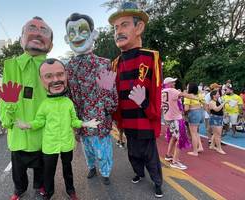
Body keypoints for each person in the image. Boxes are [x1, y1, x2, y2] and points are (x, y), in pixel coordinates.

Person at [16, 58, 100, 200]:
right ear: (42, 80)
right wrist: (28, 125)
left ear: (66, 75)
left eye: (60, 75)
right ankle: (48, 193)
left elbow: (74, 121)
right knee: (49, 171)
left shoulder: (68, 102)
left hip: (66, 144)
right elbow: (39, 121)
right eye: (48, 76)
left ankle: (71, 190)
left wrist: (86, 124)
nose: (55, 80)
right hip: (50, 145)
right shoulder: (44, 104)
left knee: (68, 169)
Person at [108, 2, 163, 197]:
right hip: (128, 122)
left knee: (150, 156)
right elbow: (113, 96)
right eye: (116, 28)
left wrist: (146, 104)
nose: (118, 31)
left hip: (144, 120)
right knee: (133, 154)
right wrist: (107, 93)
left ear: (139, 27)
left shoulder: (151, 57)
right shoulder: (115, 63)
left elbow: (156, 92)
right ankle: (139, 174)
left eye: (124, 25)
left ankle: (157, 183)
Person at [0, 16, 53, 200]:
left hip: (43, 133)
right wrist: (8, 109)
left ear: (50, 44)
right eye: (32, 28)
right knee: (18, 168)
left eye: (43, 30)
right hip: (19, 134)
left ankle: (40, 188)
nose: (37, 32)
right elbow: (4, 101)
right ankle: (19, 189)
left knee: (42, 167)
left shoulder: (53, 67)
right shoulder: (10, 66)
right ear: (21, 39)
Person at [65, 13, 118, 185]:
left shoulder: (103, 63)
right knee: (87, 148)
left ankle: (105, 172)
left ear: (93, 34)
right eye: (72, 33)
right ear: (67, 38)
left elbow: (112, 94)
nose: (78, 36)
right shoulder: (68, 67)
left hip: (100, 117)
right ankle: (91, 167)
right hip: (81, 119)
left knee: (103, 149)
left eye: (82, 31)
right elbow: (69, 96)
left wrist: (108, 103)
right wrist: (72, 120)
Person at [162, 77, 196, 170]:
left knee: (174, 136)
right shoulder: (172, 90)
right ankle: (175, 161)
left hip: (168, 118)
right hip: (175, 119)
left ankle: (169, 155)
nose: (174, 83)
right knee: (180, 139)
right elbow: (185, 95)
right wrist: (195, 97)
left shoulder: (163, 91)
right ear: (169, 83)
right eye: (173, 82)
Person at [209, 90, 227, 154]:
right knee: (218, 134)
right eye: (217, 94)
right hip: (215, 119)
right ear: (214, 96)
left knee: (215, 133)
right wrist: (223, 103)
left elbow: (220, 109)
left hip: (218, 118)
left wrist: (224, 113)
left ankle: (212, 145)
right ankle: (219, 148)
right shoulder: (212, 102)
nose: (219, 95)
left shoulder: (216, 101)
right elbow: (216, 109)